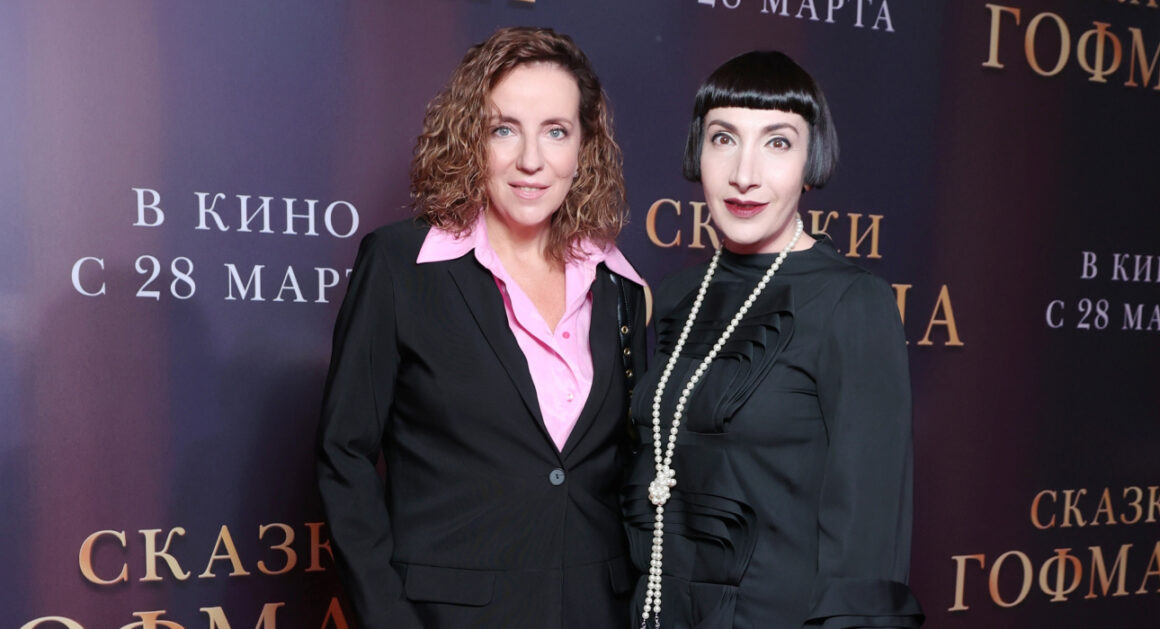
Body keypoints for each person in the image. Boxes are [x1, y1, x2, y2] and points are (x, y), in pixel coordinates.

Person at [316, 26, 647, 629]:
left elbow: (629, 470)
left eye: (556, 131)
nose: (531, 160)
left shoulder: (619, 285)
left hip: (597, 609)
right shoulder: (399, 266)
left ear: (585, 147)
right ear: (471, 136)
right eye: (504, 129)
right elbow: (345, 456)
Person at [623, 51, 923, 629]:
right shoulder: (678, 295)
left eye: (778, 143)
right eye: (723, 138)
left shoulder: (852, 303)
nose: (745, 173)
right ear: (697, 153)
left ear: (812, 161)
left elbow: (868, 539)